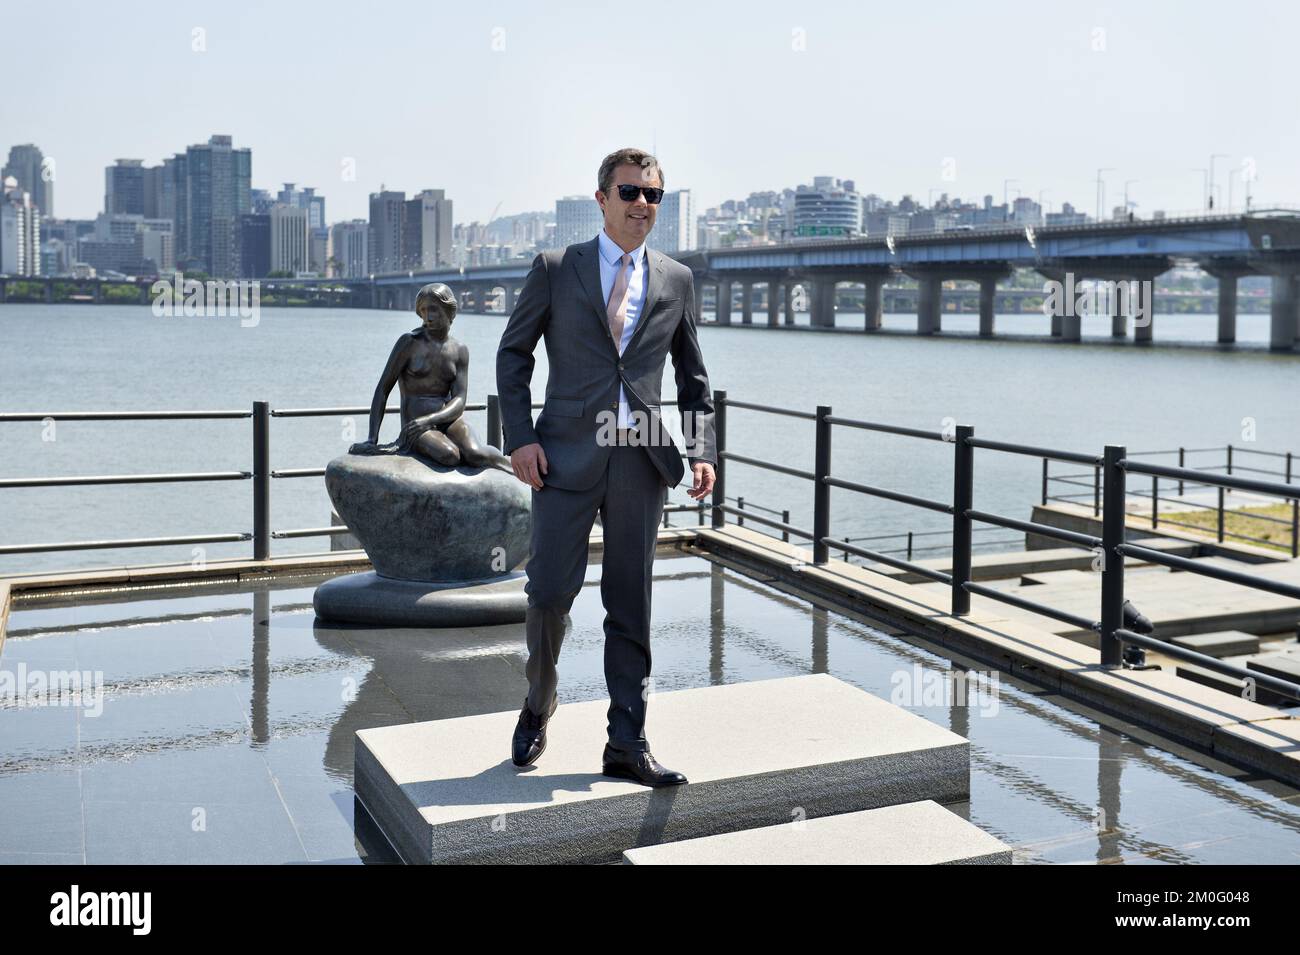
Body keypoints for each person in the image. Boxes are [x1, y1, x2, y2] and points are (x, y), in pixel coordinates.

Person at [495, 148, 717, 787]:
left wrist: (700, 451)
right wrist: (521, 439)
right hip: (562, 458)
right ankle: (538, 704)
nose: (642, 205)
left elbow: (693, 378)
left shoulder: (675, 279)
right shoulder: (557, 268)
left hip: (641, 459)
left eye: (653, 196)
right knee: (548, 595)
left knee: (632, 602)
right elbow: (514, 356)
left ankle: (627, 741)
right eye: (630, 193)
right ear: (602, 199)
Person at [350, 282, 511, 472]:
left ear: (449, 310)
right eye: (424, 310)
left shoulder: (459, 350)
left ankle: (516, 470)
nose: (428, 316)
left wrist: (432, 419)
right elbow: (383, 389)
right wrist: (372, 438)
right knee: (450, 455)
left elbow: (459, 399)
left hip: (449, 420)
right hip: (416, 425)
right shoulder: (409, 343)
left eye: (434, 309)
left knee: (476, 454)